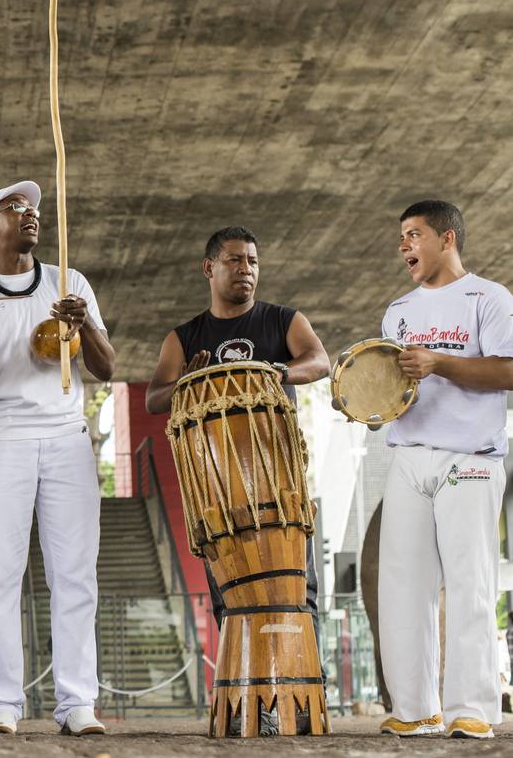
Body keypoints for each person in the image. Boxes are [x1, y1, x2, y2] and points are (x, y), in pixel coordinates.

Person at [144, 225, 329, 735]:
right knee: (232, 597)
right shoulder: (185, 337)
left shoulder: (282, 320)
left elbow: (320, 361)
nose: (245, 269)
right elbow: (154, 399)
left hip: (279, 486)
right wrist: (185, 380)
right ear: (210, 268)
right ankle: (253, 706)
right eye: (234, 260)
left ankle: (304, 697)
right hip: (221, 496)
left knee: (298, 594)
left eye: (252, 260)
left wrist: (276, 371)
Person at [0, 181, 114, 736]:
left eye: (33, 208)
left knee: (74, 574)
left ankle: (77, 702)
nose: (30, 215)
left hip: (66, 434)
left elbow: (107, 369)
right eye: (14, 209)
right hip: (0, 436)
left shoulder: (71, 283)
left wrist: (83, 320)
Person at [376, 200, 513, 740]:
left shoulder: (491, 298)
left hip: (471, 458)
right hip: (409, 454)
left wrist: (439, 362)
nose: (405, 245)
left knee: (469, 582)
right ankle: (415, 709)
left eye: (414, 235)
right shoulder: (398, 310)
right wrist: (371, 402)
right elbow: (399, 388)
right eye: (402, 237)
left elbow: (508, 370)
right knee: (402, 585)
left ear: (448, 238)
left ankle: (471, 708)